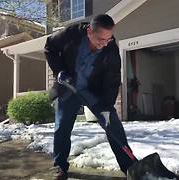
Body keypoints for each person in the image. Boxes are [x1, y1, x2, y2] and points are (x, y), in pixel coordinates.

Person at [45, 14, 138, 179]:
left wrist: (108, 107)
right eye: (100, 39)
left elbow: (113, 78)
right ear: (89, 31)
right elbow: (49, 48)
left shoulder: (110, 47)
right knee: (62, 127)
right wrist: (59, 71)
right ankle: (60, 165)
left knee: (113, 126)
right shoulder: (71, 33)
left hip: (93, 91)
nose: (104, 43)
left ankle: (131, 168)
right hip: (69, 87)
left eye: (108, 39)